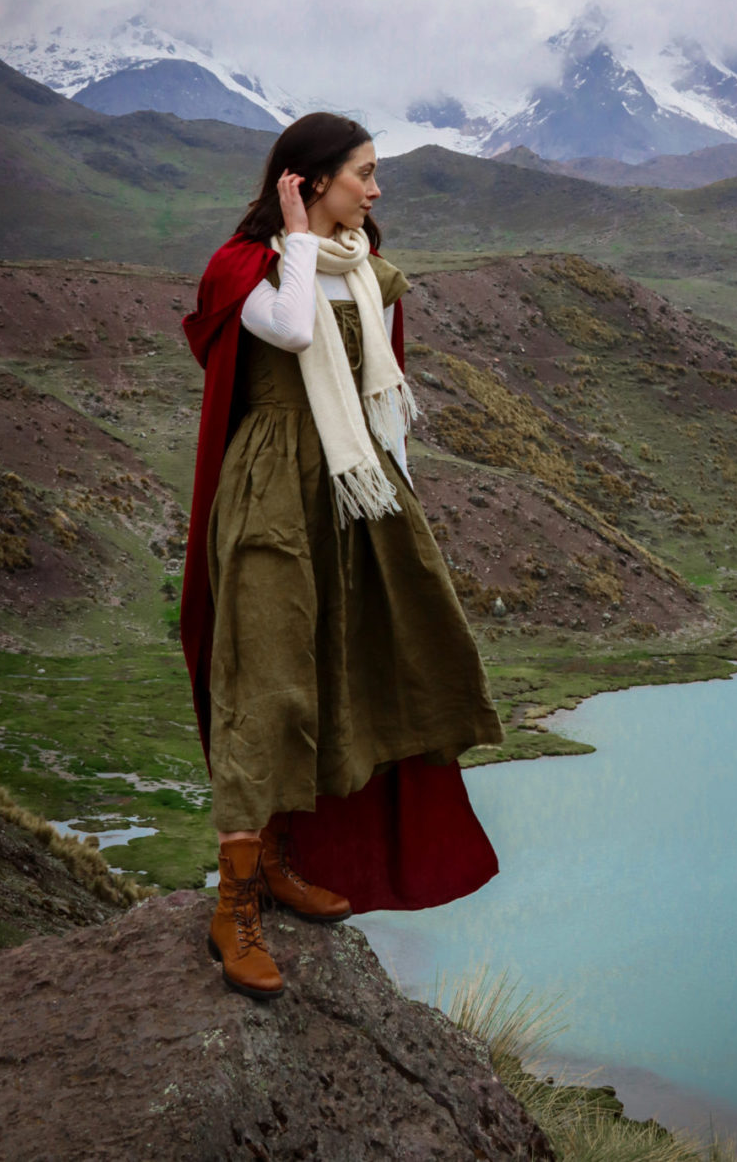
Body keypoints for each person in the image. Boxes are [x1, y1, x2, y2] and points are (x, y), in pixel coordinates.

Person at [180, 112, 504, 1000]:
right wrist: (290, 236)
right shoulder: (246, 269)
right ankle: (234, 904)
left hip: (353, 492)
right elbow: (285, 332)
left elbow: (382, 386)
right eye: (363, 172)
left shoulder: (362, 271)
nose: (375, 187)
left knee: (332, 674)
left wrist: (398, 503)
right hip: (274, 491)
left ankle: (282, 857)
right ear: (306, 180)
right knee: (266, 682)